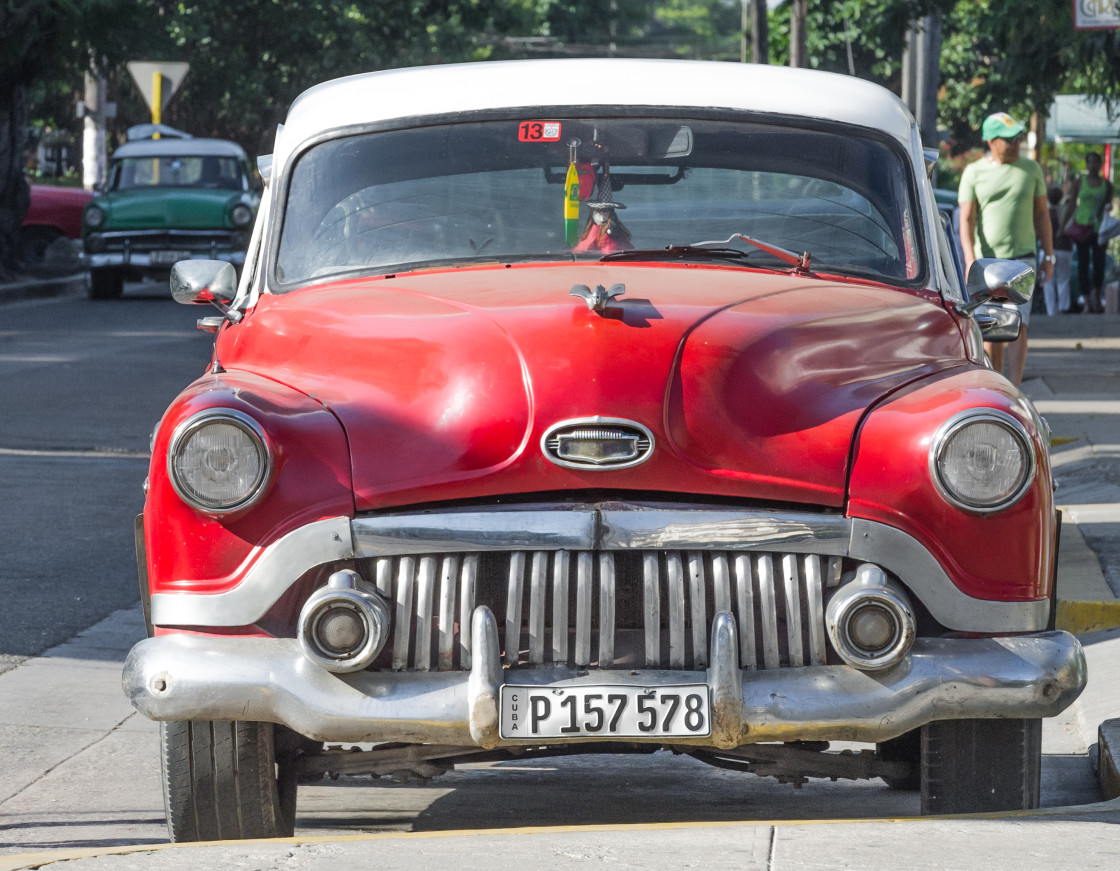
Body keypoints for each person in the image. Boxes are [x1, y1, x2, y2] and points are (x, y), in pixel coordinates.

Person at [958, 112, 1054, 386]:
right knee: (993, 326)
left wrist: (1049, 255)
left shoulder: (1031, 169)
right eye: (1009, 139)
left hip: (1023, 260)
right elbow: (966, 219)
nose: (1015, 143)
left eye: (1018, 138)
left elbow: (1042, 214)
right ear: (991, 141)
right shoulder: (974, 173)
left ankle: (1015, 386)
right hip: (988, 263)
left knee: (1019, 324)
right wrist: (969, 258)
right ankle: (997, 384)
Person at [1068, 151, 1113, 313]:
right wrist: (1062, 227)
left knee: (1100, 264)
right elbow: (1072, 205)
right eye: (1090, 162)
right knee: (1083, 264)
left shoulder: (1106, 185)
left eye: (1096, 162)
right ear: (1086, 165)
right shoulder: (1080, 182)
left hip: (1099, 230)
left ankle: (1096, 298)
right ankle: (1086, 300)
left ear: (1100, 165)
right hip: (1081, 228)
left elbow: (1109, 207)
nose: (1093, 165)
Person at [1043, 185, 1074, 315]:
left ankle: (1051, 311)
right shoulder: (1065, 213)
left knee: (1048, 282)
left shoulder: (1045, 214)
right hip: (1065, 249)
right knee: (1063, 280)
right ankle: (1063, 307)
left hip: (1047, 250)